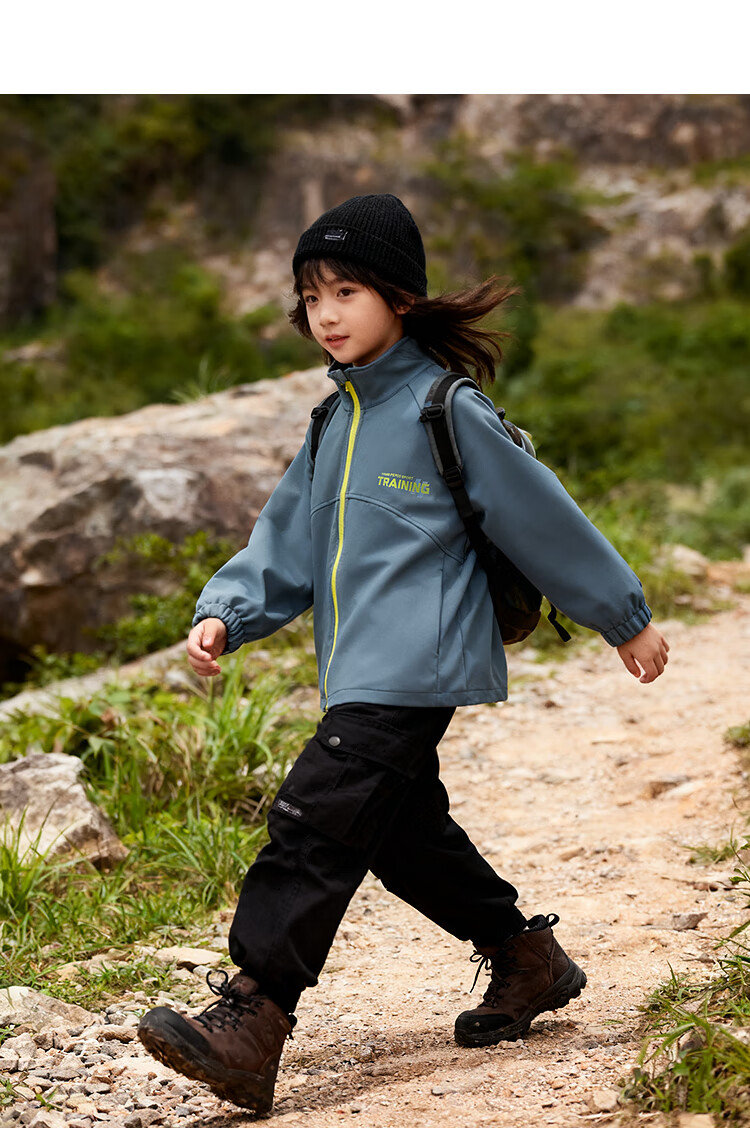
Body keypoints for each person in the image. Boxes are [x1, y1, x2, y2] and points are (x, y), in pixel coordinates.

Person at [137, 194, 669, 1114]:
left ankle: (255, 1015)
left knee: (315, 820)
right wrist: (227, 611)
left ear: (401, 297)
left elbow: (544, 519)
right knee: (399, 833)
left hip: (416, 665)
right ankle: (526, 957)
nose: (326, 314)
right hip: (355, 670)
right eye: (312, 297)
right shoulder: (333, 422)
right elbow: (284, 544)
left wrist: (624, 616)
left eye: (347, 291)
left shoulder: (444, 409)